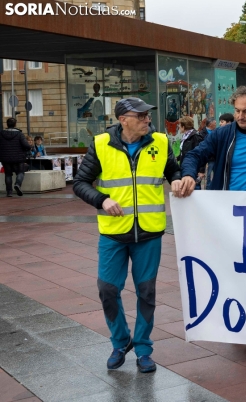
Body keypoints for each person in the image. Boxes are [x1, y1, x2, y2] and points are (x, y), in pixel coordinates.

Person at [73, 97, 182, 373]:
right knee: (107, 290)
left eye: (148, 115)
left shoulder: (160, 142)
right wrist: (101, 200)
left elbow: (174, 171)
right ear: (123, 120)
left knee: (147, 292)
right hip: (112, 233)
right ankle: (120, 342)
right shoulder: (100, 145)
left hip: (149, 232)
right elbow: (80, 182)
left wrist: (180, 178)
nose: (148, 119)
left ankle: (144, 348)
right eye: (142, 115)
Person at [176, 86, 246, 356]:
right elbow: (194, 155)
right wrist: (190, 174)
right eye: (237, 111)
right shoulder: (222, 135)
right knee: (230, 272)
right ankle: (236, 322)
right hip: (225, 215)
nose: (240, 116)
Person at [0, 118, 31, 197]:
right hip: (18, 158)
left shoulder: (1, 133)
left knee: (8, 174)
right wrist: (30, 147)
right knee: (20, 172)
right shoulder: (19, 134)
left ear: (7, 124)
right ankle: (17, 184)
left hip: (5, 158)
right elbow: (26, 145)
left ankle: (9, 192)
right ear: (15, 124)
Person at [177, 116, 204, 189]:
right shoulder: (185, 136)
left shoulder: (195, 137)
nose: (178, 127)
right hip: (185, 167)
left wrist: (201, 170)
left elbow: (200, 153)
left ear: (183, 126)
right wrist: (177, 158)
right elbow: (184, 152)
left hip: (194, 168)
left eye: (179, 125)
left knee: (193, 188)